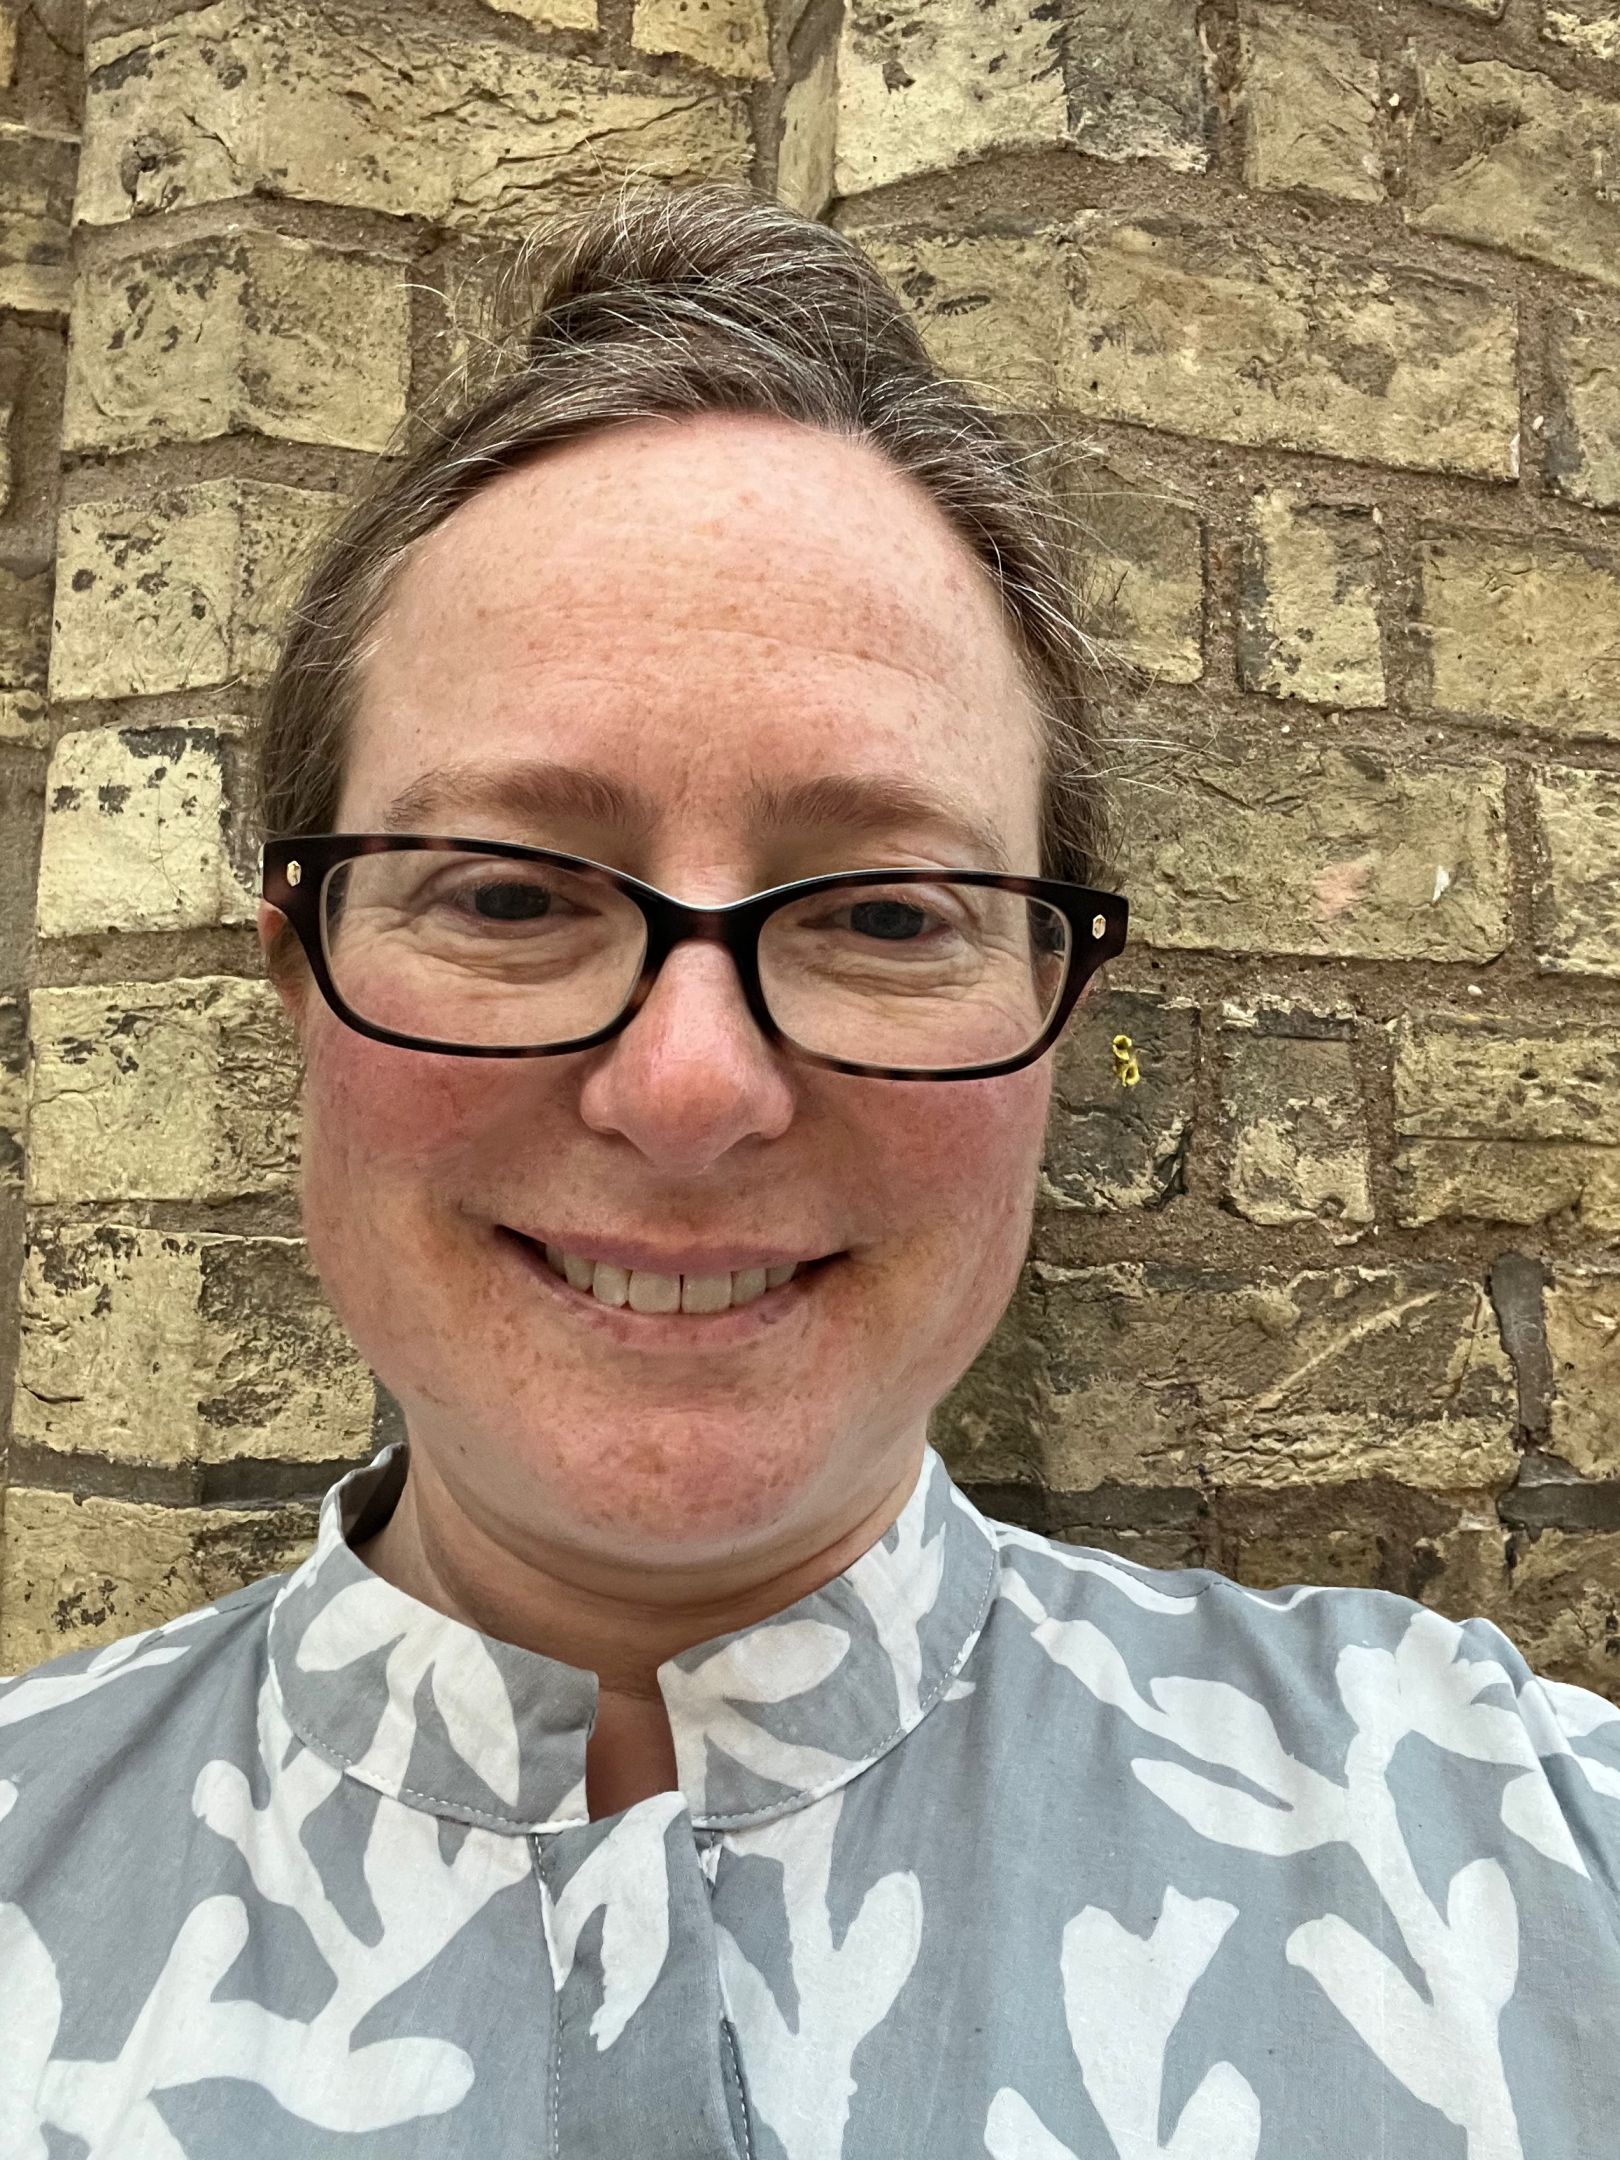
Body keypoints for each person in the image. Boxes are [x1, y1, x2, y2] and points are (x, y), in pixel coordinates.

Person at [2, 180, 1617, 2160]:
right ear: (296, 980)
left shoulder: (1522, 1856)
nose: (691, 1087)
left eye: (883, 914)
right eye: (507, 894)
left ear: (1054, 1006)